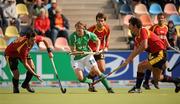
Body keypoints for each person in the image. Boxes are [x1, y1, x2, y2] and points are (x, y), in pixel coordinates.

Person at [120, 17, 180, 93]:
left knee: (141, 66)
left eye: (130, 25)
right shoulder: (136, 38)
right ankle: (177, 81)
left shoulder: (143, 30)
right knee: (157, 78)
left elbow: (144, 46)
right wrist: (128, 60)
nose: (128, 27)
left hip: (160, 53)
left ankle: (137, 88)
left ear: (135, 26)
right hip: (153, 54)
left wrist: (129, 58)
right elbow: (135, 50)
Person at [68, 21, 114, 93]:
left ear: (84, 29)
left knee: (97, 71)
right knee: (80, 78)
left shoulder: (88, 34)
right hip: (76, 59)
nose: (78, 32)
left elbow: (97, 41)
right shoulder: (72, 37)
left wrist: (98, 49)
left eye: (79, 30)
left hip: (87, 56)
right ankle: (90, 82)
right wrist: (80, 52)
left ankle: (109, 88)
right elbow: (73, 51)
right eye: (76, 30)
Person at [4, 27, 53, 93]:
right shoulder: (22, 47)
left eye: (34, 40)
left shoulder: (33, 38)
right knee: (16, 74)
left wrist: (49, 51)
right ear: (27, 39)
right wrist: (35, 74)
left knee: (32, 67)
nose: (33, 42)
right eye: (32, 40)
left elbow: (44, 40)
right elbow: (25, 64)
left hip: (21, 52)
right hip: (10, 54)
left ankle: (25, 84)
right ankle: (15, 88)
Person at [142, 13, 170, 90]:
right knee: (150, 66)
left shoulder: (166, 28)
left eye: (162, 18)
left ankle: (155, 80)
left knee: (164, 66)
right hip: (154, 50)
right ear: (157, 19)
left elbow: (165, 37)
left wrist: (168, 45)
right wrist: (148, 48)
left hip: (163, 49)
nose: (161, 19)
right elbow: (147, 36)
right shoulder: (154, 27)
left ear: (164, 19)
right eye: (159, 18)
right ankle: (146, 83)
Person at [87, 12, 110, 92]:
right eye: (98, 21)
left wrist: (106, 47)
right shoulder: (91, 29)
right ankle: (91, 86)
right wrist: (90, 50)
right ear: (96, 21)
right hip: (90, 51)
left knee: (102, 69)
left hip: (99, 50)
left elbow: (107, 38)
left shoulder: (107, 28)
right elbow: (85, 41)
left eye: (102, 21)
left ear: (104, 21)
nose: (100, 22)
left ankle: (89, 77)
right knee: (95, 68)